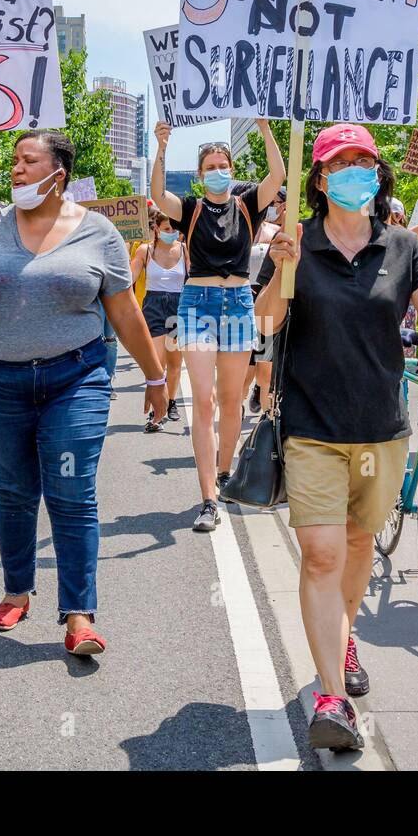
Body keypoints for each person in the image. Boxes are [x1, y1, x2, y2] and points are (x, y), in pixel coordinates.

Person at [255, 123, 418, 752]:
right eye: (342, 161)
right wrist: (282, 269)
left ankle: (343, 631)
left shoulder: (404, 246)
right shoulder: (296, 242)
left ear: (378, 173)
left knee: (360, 546)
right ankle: (330, 697)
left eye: (365, 160)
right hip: (312, 430)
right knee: (324, 555)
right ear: (320, 177)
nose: (356, 170)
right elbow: (267, 322)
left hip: (383, 429)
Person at [0, 130, 167, 656]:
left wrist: (155, 378)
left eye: (28, 160)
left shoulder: (99, 233)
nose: (16, 169)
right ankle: (16, 590)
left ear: (57, 174)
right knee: (15, 491)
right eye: (14, 161)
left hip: (76, 379)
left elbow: (125, 312)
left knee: (71, 493)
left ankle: (79, 614)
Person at [150, 118, 286, 532]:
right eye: (208, 166)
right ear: (199, 174)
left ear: (230, 168)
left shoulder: (247, 203)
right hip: (197, 303)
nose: (216, 171)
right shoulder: (190, 208)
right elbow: (157, 195)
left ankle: (225, 473)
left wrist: (264, 129)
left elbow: (277, 175)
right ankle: (208, 497)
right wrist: (161, 146)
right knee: (204, 402)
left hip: (240, 303)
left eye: (221, 164)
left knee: (231, 400)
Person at [130, 206, 188, 429]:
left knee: (175, 362)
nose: (171, 232)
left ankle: (171, 402)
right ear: (156, 229)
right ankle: (156, 413)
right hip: (153, 306)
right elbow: (130, 275)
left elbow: (193, 278)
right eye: (166, 228)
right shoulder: (145, 250)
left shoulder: (184, 250)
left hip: (178, 305)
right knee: (157, 362)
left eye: (174, 228)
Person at [245, 187, 285, 415]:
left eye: (276, 201)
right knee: (248, 371)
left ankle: (267, 413)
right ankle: (241, 401)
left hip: (273, 311)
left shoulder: (287, 235)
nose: (272, 205)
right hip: (248, 305)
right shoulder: (248, 226)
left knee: (265, 369)